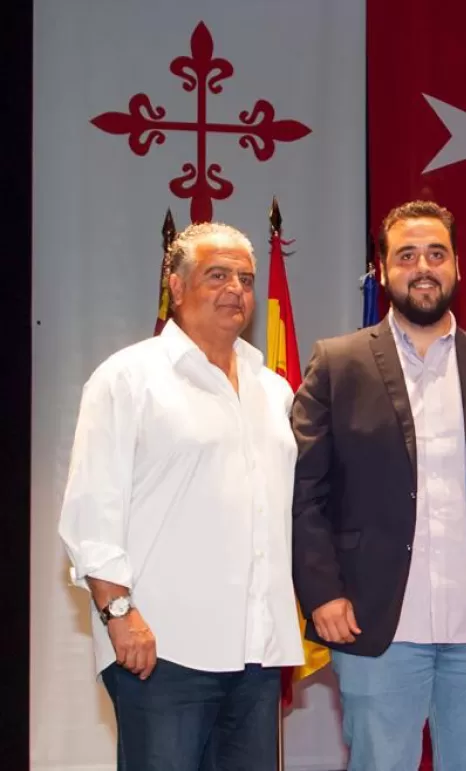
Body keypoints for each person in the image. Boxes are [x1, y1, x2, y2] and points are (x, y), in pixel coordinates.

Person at [291, 200, 466, 771]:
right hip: (375, 624)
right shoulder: (338, 364)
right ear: (383, 269)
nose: (423, 267)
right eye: (407, 255)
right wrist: (321, 593)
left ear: (458, 266)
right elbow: (305, 492)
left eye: (436, 254)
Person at [57, 222, 304, 770]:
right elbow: (92, 509)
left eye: (244, 278)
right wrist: (119, 612)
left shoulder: (273, 388)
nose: (235, 289)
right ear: (175, 283)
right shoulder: (128, 378)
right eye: (217, 275)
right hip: (163, 649)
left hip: (257, 651)